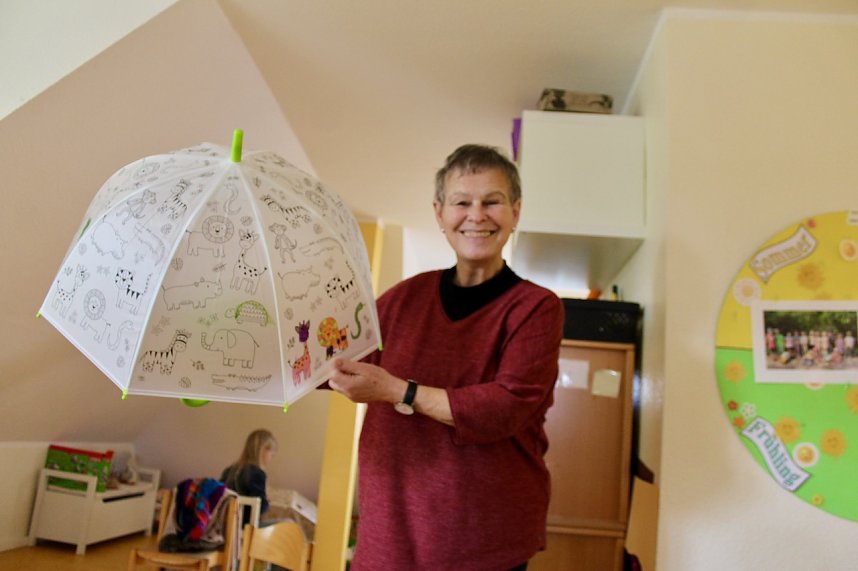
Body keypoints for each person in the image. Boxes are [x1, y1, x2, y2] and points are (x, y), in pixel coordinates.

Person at [328, 144, 564, 571]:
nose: (477, 215)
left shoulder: (536, 308)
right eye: (461, 202)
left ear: (515, 211)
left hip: (484, 543)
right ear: (439, 213)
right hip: (389, 539)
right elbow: (335, 363)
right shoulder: (402, 299)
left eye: (492, 201)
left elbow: (505, 407)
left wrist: (398, 390)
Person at [220, 429, 277, 523]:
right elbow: (261, 508)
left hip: (226, 525)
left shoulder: (230, 470)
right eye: (271, 451)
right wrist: (266, 500)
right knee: (289, 523)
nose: (272, 455)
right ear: (262, 450)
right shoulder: (258, 474)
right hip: (246, 527)